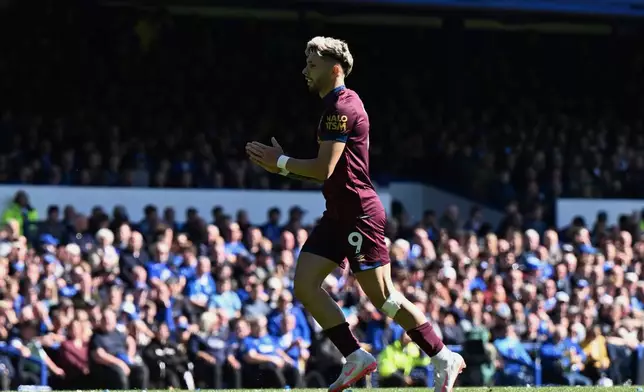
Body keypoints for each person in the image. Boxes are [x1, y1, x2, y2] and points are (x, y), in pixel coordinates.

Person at [246, 36, 465, 392]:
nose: (305, 70)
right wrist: (283, 165)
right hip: (338, 214)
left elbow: (324, 168)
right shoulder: (335, 105)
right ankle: (355, 356)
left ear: (334, 70)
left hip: (359, 216)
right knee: (305, 284)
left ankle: (442, 356)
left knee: (385, 299)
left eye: (312, 65)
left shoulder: (341, 108)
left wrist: (280, 164)